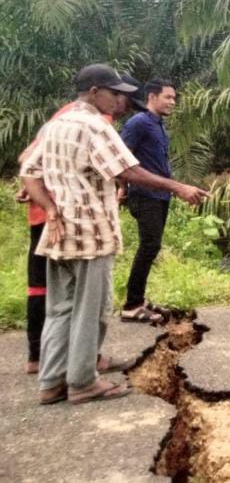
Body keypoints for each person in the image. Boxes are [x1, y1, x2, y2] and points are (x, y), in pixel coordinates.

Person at [20, 64, 209, 405]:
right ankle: (81, 382)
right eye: (114, 93)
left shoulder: (55, 124)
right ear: (94, 91)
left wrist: (49, 209)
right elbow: (128, 170)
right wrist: (178, 186)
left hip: (58, 234)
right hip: (90, 234)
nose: (120, 100)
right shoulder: (94, 126)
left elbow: (29, 173)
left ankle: (51, 382)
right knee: (91, 309)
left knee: (60, 308)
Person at [121, 79, 179, 325]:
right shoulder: (139, 123)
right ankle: (132, 306)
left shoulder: (158, 125)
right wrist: (122, 188)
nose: (172, 102)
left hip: (160, 195)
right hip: (144, 196)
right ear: (152, 97)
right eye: (168, 97)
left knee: (151, 246)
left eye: (174, 98)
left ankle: (139, 300)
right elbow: (121, 158)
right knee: (148, 246)